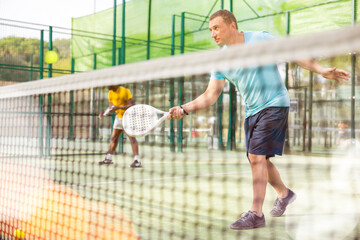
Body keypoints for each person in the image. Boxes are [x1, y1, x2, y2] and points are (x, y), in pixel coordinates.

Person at [168, 9, 350, 230]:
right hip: (252, 111)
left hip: (275, 103)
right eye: (210, 30)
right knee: (259, 159)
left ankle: (256, 214)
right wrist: (183, 108)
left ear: (232, 25)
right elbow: (210, 95)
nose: (213, 34)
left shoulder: (260, 39)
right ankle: (285, 194)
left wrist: (321, 70)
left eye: (216, 28)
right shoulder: (220, 61)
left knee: (256, 157)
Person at [98, 85, 141, 168]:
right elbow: (111, 107)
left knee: (132, 139)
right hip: (119, 118)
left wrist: (119, 107)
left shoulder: (125, 91)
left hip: (128, 117)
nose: (106, 86)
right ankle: (108, 158)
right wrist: (104, 112)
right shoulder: (110, 93)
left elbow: (132, 105)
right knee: (114, 138)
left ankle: (137, 161)